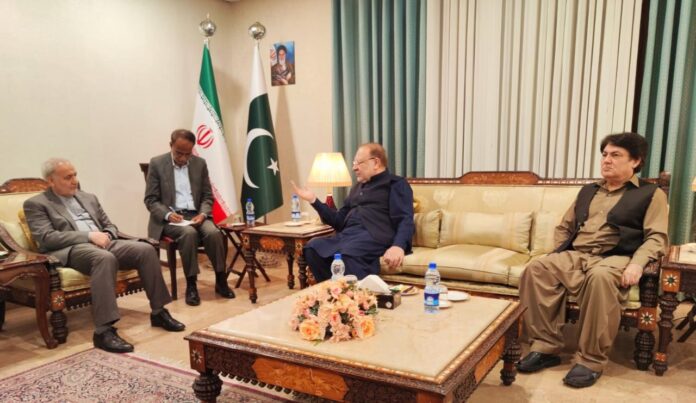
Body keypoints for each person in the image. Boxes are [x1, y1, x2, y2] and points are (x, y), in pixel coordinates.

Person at [516, 132, 668, 388]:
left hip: (617, 256)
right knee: (537, 268)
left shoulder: (651, 194)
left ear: (635, 161)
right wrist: (559, 252)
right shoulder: (588, 190)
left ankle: (590, 360)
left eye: (616, 155)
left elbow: (657, 237)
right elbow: (565, 226)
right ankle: (545, 347)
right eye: (605, 154)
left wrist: (636, 263)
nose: (606, 160)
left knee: (599, 278)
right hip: (579, 255)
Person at [23, 158, 185, 353]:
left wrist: (107, 234)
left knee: (146, 250)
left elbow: (109, 225)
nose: (74, 180)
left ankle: (159, 312)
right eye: (67, 177)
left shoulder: (88, 197)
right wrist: (89, 236)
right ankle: (103, 331)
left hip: (104, 242)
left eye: (75, 175)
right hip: (73, 248)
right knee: (104, 258)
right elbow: (47, 238)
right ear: (51, 181)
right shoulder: (36, 204)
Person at [292, 143, 414, 281]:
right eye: (354, 163)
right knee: (313, 247)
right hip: (348, 236)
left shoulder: (395, 184)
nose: (354, 168)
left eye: (359, 163)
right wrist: (314, 200)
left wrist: (398, 246)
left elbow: (405, 219)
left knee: (348, 253)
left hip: (375, 236)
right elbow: (338, 221)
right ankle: (333, 289)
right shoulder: (356, 188)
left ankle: (360, 292)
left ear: (376, 162)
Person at [144, 129, 235, 306]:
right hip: (171, 218)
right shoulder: (157, 163)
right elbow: (151, 200)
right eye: (179, 153)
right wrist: (168, 214)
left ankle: (221, 280)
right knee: (189, 234)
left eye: (188, 154)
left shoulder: (199, 164)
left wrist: (203, 214)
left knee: (214, 233)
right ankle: (191, 285)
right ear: (171, 145)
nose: (183, 158)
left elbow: (207, 196)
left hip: (196, 215)